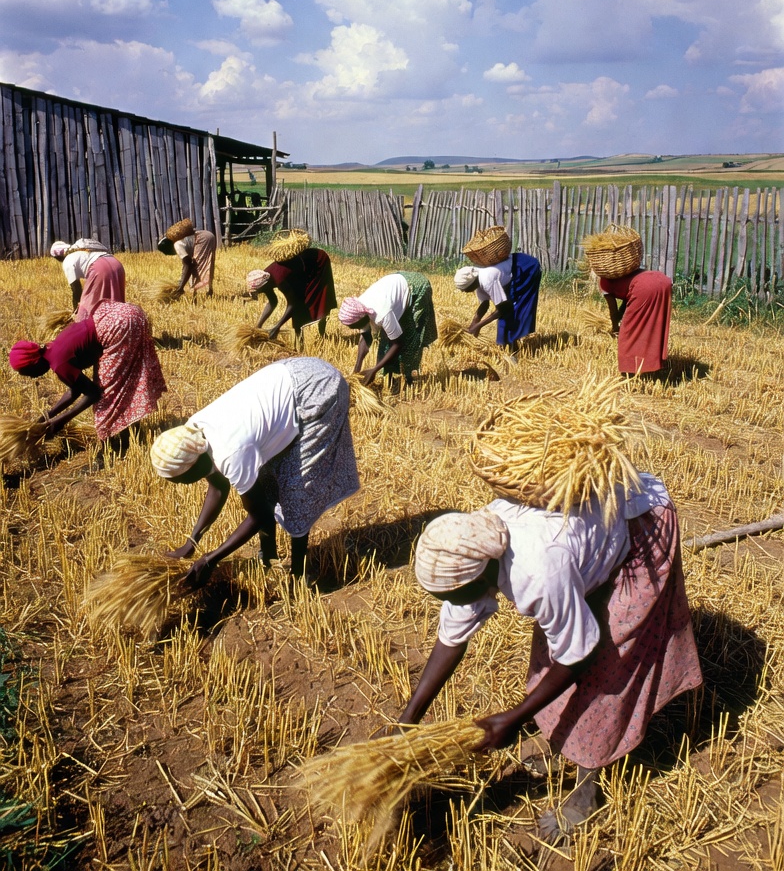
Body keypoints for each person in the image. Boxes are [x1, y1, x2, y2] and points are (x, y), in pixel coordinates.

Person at [401, 479, 702, 842]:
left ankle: (587, 789)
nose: (458, 605)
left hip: (641, 523)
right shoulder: (473, 547)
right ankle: (565, 745)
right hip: (589, 533)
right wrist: (407, 720)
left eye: (458, 597)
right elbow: (451, 638)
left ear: (481, 576)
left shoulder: (538, 571)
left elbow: (578, 654)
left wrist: (515, 718)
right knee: (549, 656)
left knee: (608, 661)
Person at [149, 357, 360, 584]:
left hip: (317, 387)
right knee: (267, 481)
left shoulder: (231, 452)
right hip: (292, 375)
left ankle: (300, 572)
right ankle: (268, 558)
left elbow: (259, 515)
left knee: (297, 489)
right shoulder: (193, 432)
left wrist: (211, 559)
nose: (179, 485)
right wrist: (193, 540)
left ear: (192, 466)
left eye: (178, 479)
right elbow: (218, 487)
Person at [9, 300, 166, 441]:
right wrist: (47, 417)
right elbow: (75, 390)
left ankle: (120, 440)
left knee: (109, 393)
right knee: (122, 382)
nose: (30, 377)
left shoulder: (59, 364)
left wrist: (59, 422)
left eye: (27, 372)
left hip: (120, 327)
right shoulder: (53, 348)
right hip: (123, 314)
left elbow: (93, 393)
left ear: (34, 362)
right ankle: (131, 432)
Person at [338, 272, 437, 386]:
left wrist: (374, 370)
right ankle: (389, 377)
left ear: (361, 318)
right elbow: (365, 338)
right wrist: (357, 368)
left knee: (410, 336)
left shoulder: (382, 312)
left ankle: (408, 378)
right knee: (387, 338)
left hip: (416, 287)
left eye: (356, 326)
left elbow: (397, 343)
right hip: (396, 285)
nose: (357, 329)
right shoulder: (360, 309)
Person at [247, 247, 337, 344]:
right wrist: (258, 326)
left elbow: (293, 304)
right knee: (300, 304)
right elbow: (273, 302)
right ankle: (299, 342)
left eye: (256, 291)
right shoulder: (264, 277)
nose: (256, 294)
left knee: (314, 301)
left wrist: (277, 326)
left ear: (263, 286)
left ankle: (320, 333)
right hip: (301, 266)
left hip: (317, 261)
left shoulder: (280, 280)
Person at [453, 252, 541, 350]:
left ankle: (512, 349)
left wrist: (478, 326)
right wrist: (474, 321)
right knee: (506, 313)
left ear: (471, 284)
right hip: (515, 267)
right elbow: (484, 304)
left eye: (465, 289)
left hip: (525, 267)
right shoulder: (478, 279)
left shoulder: (487, 279)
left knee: (511, 312)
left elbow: (503, 308)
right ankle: (507, 344)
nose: (464, 292)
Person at [599, 268, 672, 375]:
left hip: (644, 286)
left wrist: (615, 326)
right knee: (653, 327)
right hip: (662, 280)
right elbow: (628, 297)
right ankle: (651, 364)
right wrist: (621, 315)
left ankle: (629, 372)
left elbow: (612, 309)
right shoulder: (623, 272)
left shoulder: (604, 283)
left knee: (628, 331)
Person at [50, 238, 126, 319]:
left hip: (100, 268)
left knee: (90, 306)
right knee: (116, 300)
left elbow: (76, 290)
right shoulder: (83, 250)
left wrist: (76, 312)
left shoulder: (67, 261)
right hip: (117, 265)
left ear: (58, 258)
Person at [157, 220, 217, 297]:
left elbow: (188, 265)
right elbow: (187, 264)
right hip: (207, 235)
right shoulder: (182, 241)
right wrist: (181, 283)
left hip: (202, 239)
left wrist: (180, 287)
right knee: (207, 264)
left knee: (199, 268)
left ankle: (200, 294)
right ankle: (208, 292)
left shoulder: (177, 245)